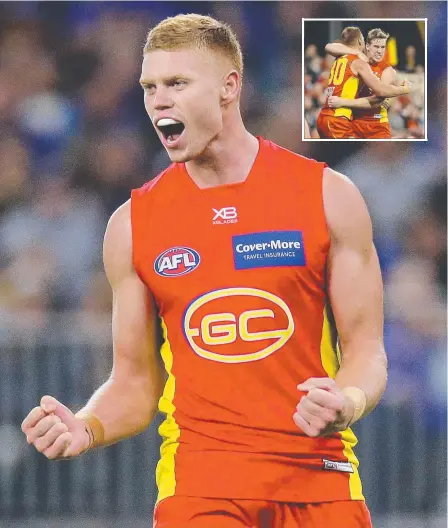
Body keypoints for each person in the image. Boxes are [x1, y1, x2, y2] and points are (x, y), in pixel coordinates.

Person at [22, 14, 387, 528]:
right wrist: (87, 426)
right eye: (149, 87)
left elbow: (367, 352)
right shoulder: (132, 224)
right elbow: (132, 383)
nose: (158, 101)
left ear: (228, 87)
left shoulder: (328, 195)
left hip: (320, 481)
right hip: (199, 492)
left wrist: (346, 401)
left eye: (176, 83)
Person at [316, 26, 411, 139]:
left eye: (382, 47)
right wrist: (356, 51)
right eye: (376, 47)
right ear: (367, 46)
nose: (380, 51)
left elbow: (377, 100)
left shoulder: (387, 70)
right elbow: (328, 46)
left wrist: (343, 102)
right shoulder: (359, 61)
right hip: (353, 124)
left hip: (376, 127)